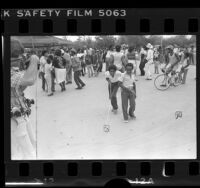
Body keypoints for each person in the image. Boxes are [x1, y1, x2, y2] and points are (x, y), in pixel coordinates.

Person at [11, 40, 38, 159]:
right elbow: (30, 80)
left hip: (21, 113)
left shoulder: (14, 69)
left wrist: (32, 67)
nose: (21, 58)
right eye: (19, 56)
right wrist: (34, 61)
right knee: (27, 151)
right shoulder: (10, 71)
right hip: (14, 118)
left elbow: (20, 88)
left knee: (32, 143)